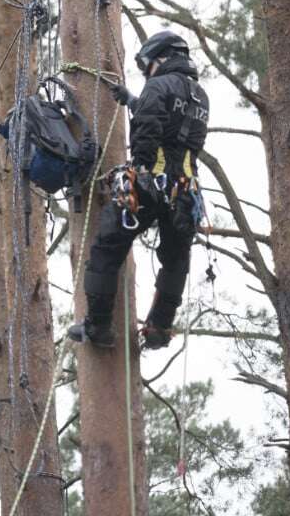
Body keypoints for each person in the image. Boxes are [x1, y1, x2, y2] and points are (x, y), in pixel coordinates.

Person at [67, 30, 210, 350]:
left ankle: (98, 326)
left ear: (162, 58)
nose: (147, 72)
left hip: (150, 184)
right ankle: (159, 326)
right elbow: (175, 128)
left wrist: (141, 169)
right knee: (176, 259)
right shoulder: (200, 96)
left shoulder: (159, 85)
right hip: (185, 192)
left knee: (107, 245)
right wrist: (133, 100)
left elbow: (149, 128)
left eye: (148, 65)